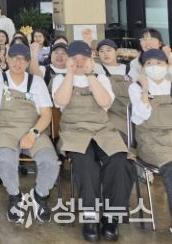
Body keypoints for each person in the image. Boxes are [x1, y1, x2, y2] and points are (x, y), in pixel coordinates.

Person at [52, 41, 134, 242]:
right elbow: (61, 101)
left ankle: (111, 217)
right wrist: (70, 74)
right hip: (74, 133)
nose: (79, 62)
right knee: (86, 165)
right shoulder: (60, 79)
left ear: (91, 59)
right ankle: (90, 217)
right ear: (69, 60)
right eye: (75, 58)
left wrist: (90, 75)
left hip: (102, 131)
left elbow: (105, 102)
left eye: (84, 58)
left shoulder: (101, 78)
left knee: (121, 161)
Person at [0, 43, 59, 224]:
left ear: (28, 62)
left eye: (23, 59)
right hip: (4, 129)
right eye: (14, 58)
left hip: (33, 128)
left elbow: (46, 114)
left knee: (50, 161)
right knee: (6, 159)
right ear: (7, 59)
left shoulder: (37, 82)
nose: (18, 62)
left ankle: (39, 196)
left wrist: (33, 133)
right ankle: (15, 196)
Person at [129, 48, 172, 233]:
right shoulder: (136, 88)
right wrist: (145, 89)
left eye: (159, 63)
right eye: (149, 63)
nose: (155, 67)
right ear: (143, 68)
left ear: (167, 65)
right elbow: (140, 117)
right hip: (151, 141)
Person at [93, 39, 130, 139]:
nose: (105, 53)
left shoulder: (129, 68)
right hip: (111, 113)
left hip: (130, 111)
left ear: (116, 52)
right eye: (101, 51)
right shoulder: (98, 69)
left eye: (109, 50)